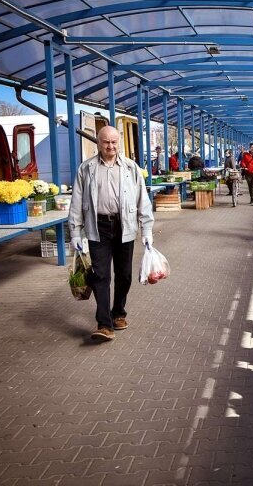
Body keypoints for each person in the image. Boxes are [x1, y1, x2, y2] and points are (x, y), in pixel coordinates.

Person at [69, 126, 154, 342]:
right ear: (98, 143)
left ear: (119, 143)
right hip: (98, 227)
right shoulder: (86, 169)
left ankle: (118, 313)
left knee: (124, 276)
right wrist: (76, 232)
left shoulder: (130, 168)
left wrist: (147, 229)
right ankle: (104, 324)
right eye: (106, 142)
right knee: (100, 275)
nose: (110, 146)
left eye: (114, 142)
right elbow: (76, 202)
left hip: (124, 225)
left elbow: (142, 200)